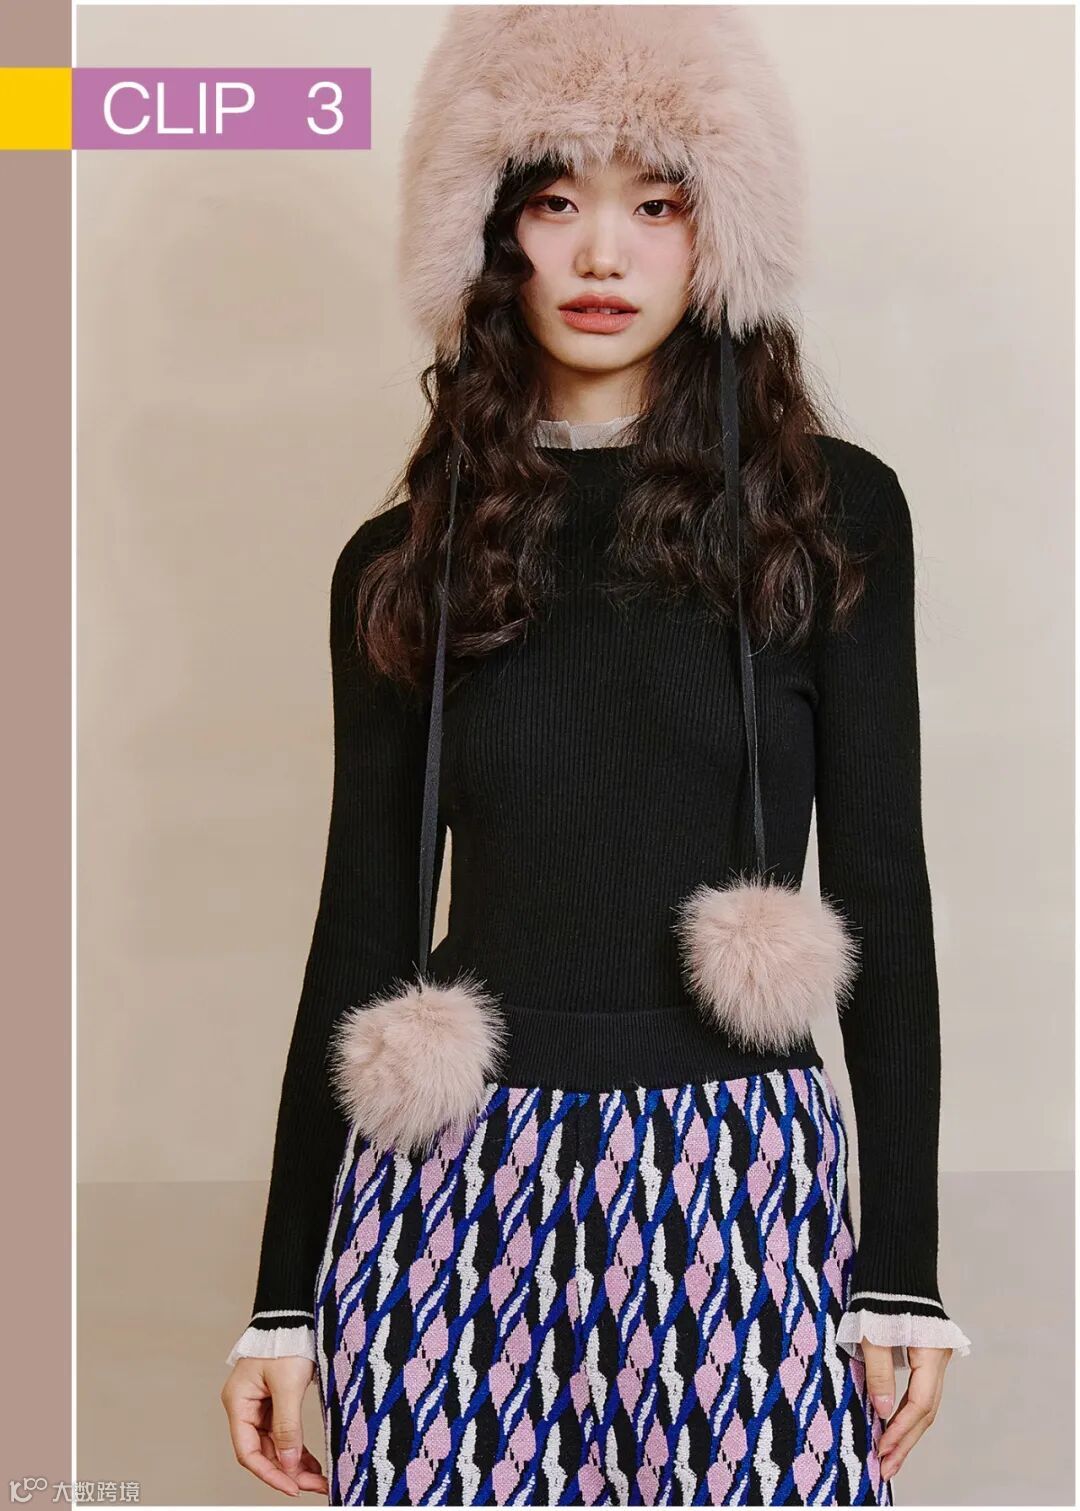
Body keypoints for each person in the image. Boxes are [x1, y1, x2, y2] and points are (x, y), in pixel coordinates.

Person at [220, 6, 972, 1504]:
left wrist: (901, 1270)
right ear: (489, 235)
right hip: (451, 1199)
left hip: (742, 1184)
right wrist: (283, 1303)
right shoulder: (403, 561)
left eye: (659, 204)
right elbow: (361, 923)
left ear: (720, 234)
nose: (603, 254)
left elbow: (883, 887)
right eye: (556, 202)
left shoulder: (825, 517)